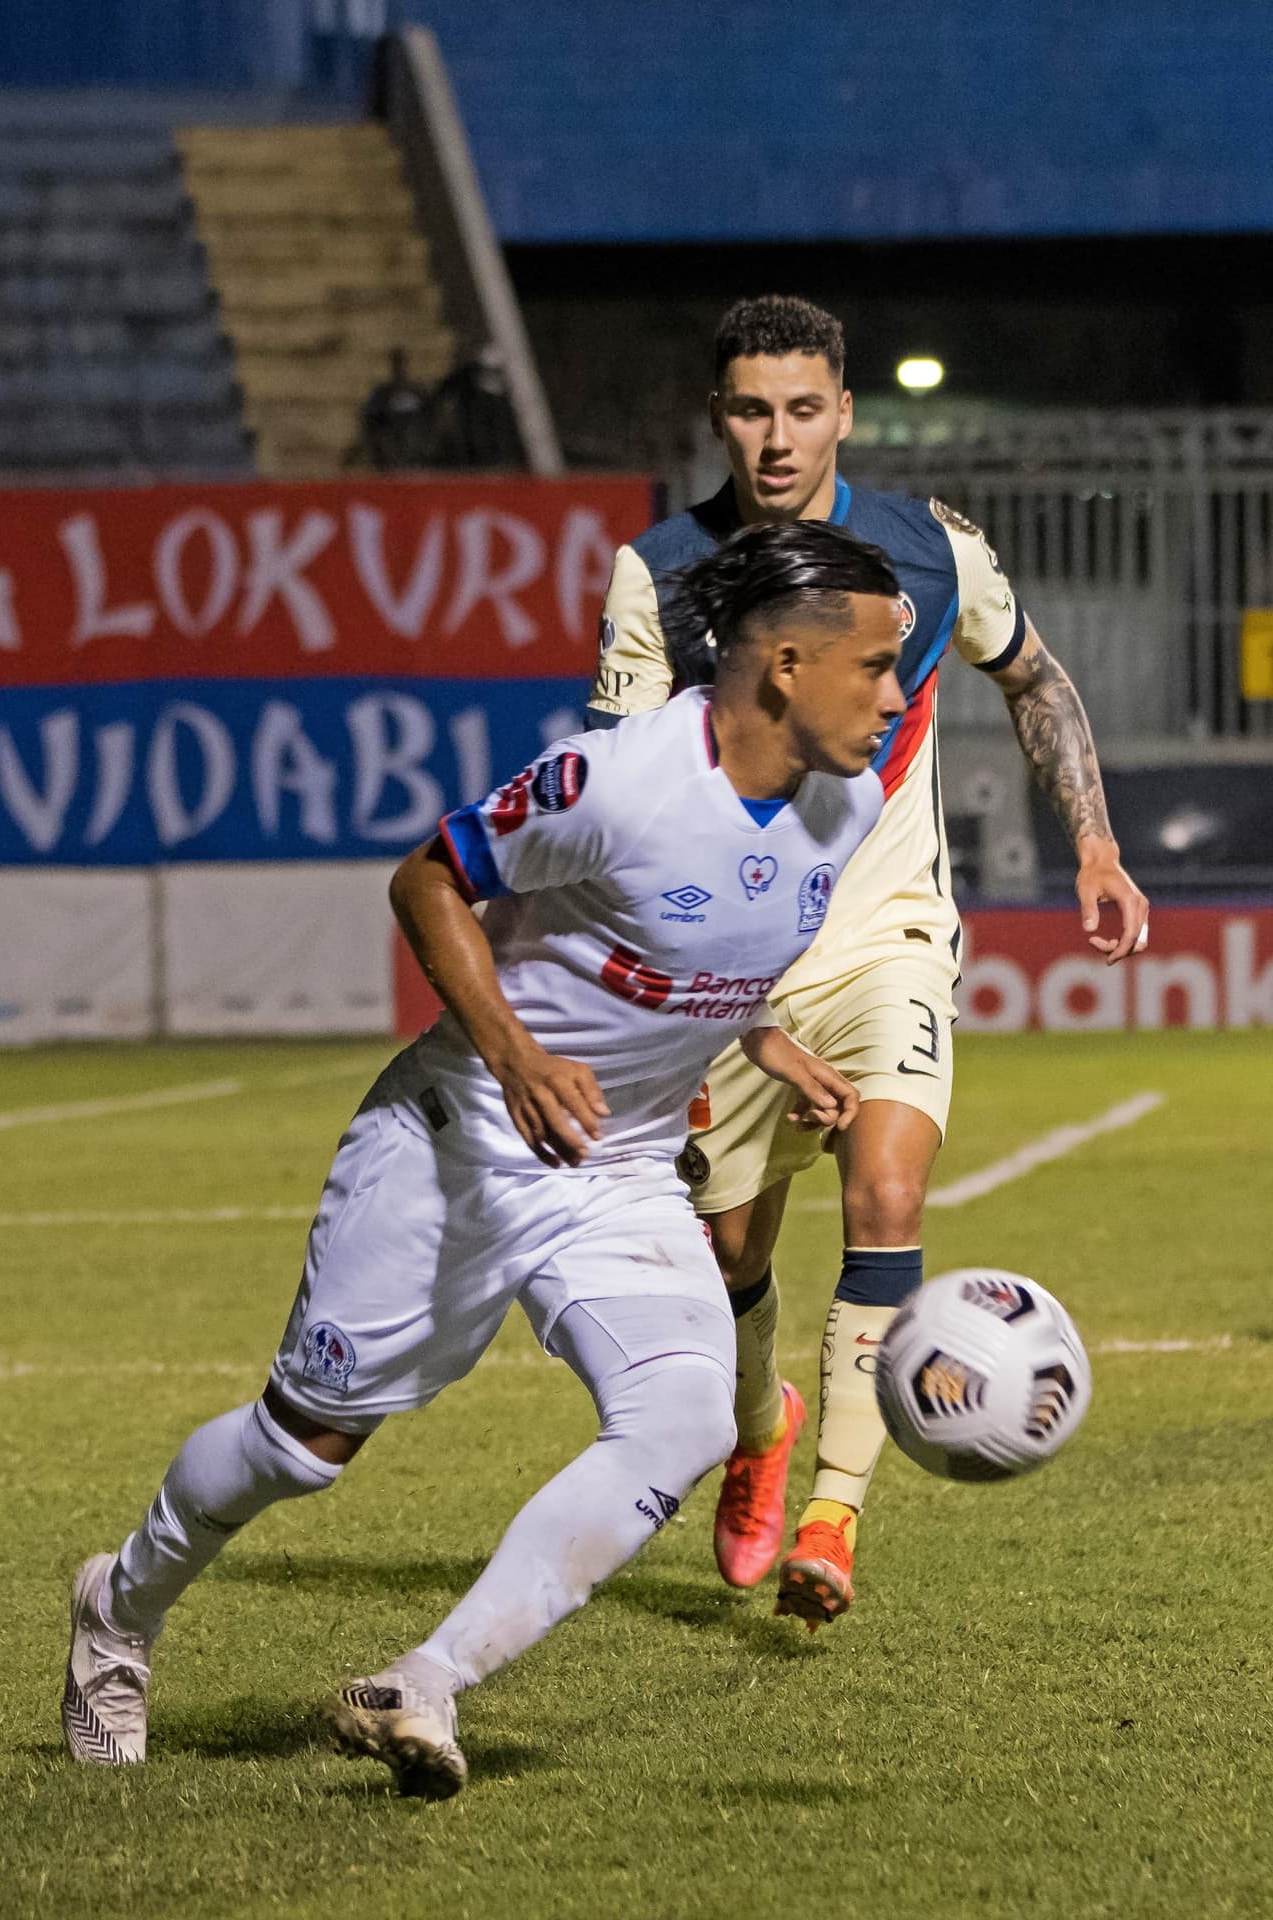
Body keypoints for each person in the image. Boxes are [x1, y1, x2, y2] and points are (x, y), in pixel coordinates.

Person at [62, 521, 906, 1796]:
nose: (896, 696)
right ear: (784, 663)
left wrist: (764, 1036)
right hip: (461, 1140)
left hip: (616, 1168)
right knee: (305, 1444)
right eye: (877, 666)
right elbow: (425, 883)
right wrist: (513, 1054)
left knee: (681, 1413)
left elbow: (704, 932)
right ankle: (117, 1613)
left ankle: (423, 1681)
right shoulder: (613, 781)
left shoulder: (849, 799)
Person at [588, 294, 1149, 1630]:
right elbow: (622, 797)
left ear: (844, 412)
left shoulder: (932, 549)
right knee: (727, 1253)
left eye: (800, 409)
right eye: (747, 410)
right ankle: (759, 1428)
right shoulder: (658, 574)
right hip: (732, 971)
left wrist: (1096, 842)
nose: (775, 439)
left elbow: (1035, 677)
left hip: (886, 941)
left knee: (888, 1196)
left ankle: (832, 1517)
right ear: (715, 416)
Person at [359, 347, 430, 470]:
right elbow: (370, 420)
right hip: (391, 448)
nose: (400, 368)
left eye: (402, 363)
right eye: (397, 364)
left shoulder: (419, 392)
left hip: (416, 447)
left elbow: (430, 418)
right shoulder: (382, 393)